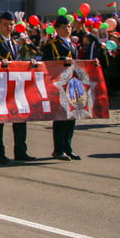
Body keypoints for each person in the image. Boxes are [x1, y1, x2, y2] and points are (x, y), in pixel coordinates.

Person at [0, 12, 34, 164]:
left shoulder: (16, 44)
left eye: (11, 24)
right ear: (0, 25)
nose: (8, 27)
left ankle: (20, 151)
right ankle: (0, 153)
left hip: (14, 88)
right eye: (5, 24)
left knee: (20, 119)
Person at [42, 14, 81, 160]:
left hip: (71, 83)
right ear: (57, 29)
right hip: (58, 83)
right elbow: (46, 63)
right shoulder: (52, 45)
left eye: (69, 27)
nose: (67, 30)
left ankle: (67, 147)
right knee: (60, 118)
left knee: (71, 117)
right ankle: (58, 149)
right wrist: (61, 60)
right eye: (64, 27)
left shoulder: (72, 45)